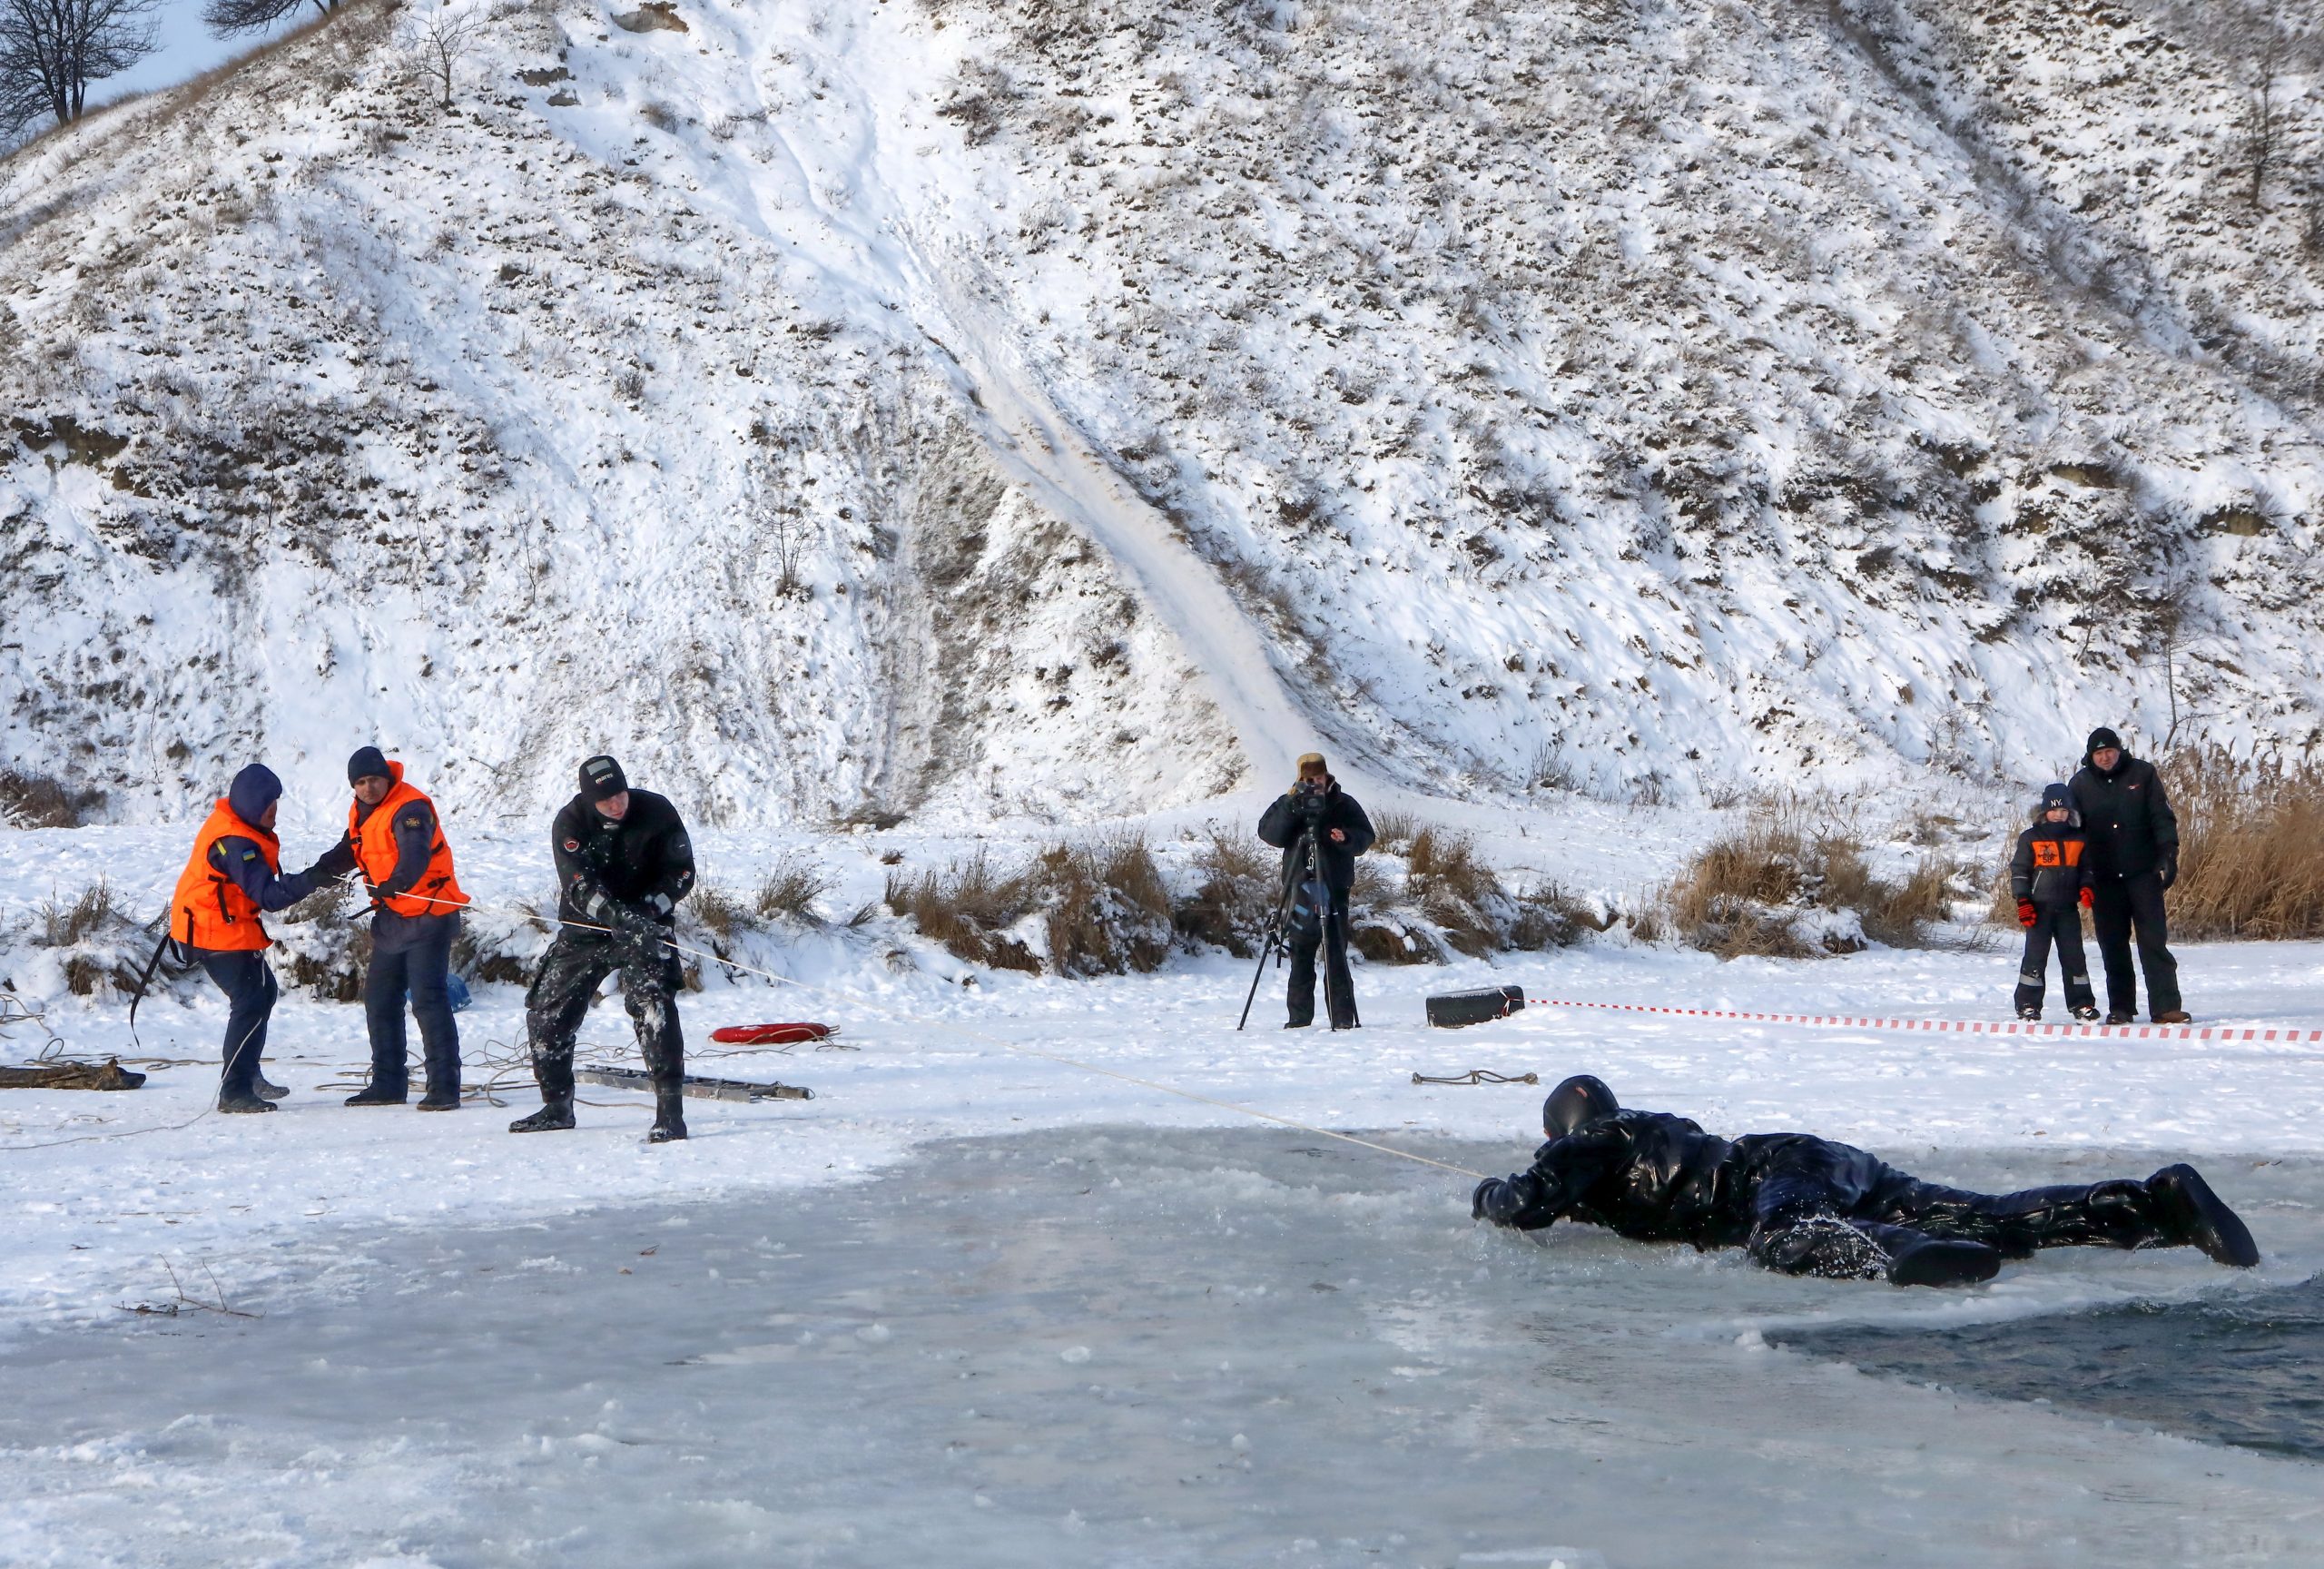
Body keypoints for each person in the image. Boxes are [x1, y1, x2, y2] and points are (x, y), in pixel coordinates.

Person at [1471, 1075, 2258, 1288]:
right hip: (1829, 1161)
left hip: (1785, 1175)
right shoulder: (1644, 1136)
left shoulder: (1601, 1137)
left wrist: (1487, 1197)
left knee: (1779, 1239)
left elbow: (1526, 1199)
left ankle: (1899, 1255)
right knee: (1989, 1217)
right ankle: (2156, 1201)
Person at [510, 755, 696, 1141]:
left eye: (620, 794)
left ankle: (670, 1114)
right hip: (587, 927)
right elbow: (577, 886)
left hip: (646, 924)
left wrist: (649, 910)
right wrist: (615, 915)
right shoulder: (570, 822)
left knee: (655, 1008)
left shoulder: (658, 811)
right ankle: (557, 1106)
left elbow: (682, 872)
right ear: (588, 799)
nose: (617, 804)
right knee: (546, 1015)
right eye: (606, 800)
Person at [165, 765, 336, 1113]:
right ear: (251, 805)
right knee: (249, 1001)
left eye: (275, 803)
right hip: (213, 931)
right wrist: (313, 879)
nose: (274, 811)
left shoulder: (240, 825)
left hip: (220, 924)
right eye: (269, 804)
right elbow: (268, 896)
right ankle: (235, 1091)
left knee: (263, 993)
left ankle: (248, 1073)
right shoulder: (236, 841)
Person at [325, 747, 470, 1111]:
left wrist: (395, 881)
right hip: (392, 919)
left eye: (374, 779)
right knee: (380, 999)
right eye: (360, 782)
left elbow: (416, 854)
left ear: (386, 778)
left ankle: (444, 1086)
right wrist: (305, 880)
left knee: (428, 1000)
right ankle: (388, 1083)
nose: (368, 787)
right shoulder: (362, 814)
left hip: (429, 914)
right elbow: (346, 852)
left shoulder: (411, 808)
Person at [2068, 726, 2187, 1024]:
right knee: (2112, 945)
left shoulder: (2143, 774)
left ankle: (2165, 1006)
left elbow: (2162, 816)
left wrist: (2168, 854)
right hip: (2104, 878)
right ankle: (2121, 1008)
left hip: (2143, 872)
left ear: (2119, 750)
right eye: (2098, 753)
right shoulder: (2079, 785)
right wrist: (2076, 873)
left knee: (2153, 941)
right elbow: (2073, 833)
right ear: (2090, 756)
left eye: (2109, 751)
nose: (2105, 757)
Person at [1256, 751, 1375, 1030]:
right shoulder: (1290, 802)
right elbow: (1268, 833)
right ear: (1300, 778)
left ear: (1327, 775)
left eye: (1319, 778)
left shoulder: (1343, 803)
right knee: (1300, 955)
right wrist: (1290, 805)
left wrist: (1346, 838)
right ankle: (1298, 1019)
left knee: (1335, 954)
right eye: (1309, 779)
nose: (1315, 785)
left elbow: (1366, 836)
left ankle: (1342, 1018)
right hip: (1300, 889)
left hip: (1334, 888)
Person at [2008, 783, 2098, 1022]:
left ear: (2070, 812)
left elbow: (2087, 869)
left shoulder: (2079, 839)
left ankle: (2082, 1004)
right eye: (2054, 810)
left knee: (2074, 957)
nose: (2059, 815)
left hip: (2067, 909)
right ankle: (2028, 1004)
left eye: (2063, 810)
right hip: (2039, 910)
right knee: (2035, 958)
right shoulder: (2030, 838)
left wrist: (2087, 887)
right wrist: (2023, 900)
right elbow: (2019, 871)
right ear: (2044, 811)